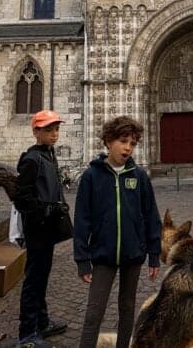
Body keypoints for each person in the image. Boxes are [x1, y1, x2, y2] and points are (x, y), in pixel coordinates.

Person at [73, 116, 161, 348]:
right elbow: (82, 220)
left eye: (132, 143)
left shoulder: (139, 176)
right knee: (94, 312)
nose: (128, 148)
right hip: (103, 255)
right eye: (123, 141)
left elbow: (151, 215)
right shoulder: (91, 177)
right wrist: (82, 259)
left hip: (133, 254)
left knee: (127, 309)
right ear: (108, 141)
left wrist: (153, 253)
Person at [15, 110, 72, 348]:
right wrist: (45, 210)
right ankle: (27, 334)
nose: (54, 134)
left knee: (41, 277)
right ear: (36, 131)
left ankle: (42, 321)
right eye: (48, 130)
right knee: (33, 281)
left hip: (46, 229)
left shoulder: (48, 155)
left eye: (56, 130)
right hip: (37, 229)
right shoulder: (31, 159)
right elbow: (22, 198)